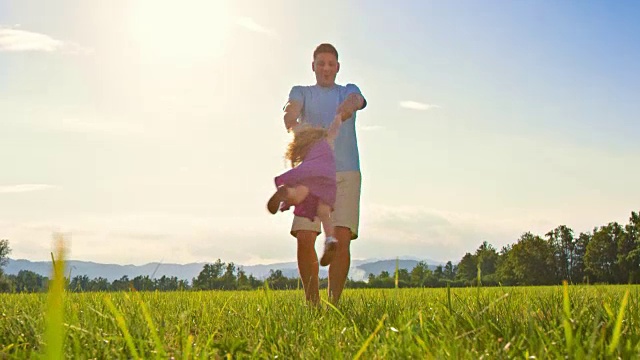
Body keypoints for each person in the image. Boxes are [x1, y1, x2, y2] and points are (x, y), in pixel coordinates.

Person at [281, 43, 367, 305]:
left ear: (338, 67)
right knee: (305, 236)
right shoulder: (302, 92)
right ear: (313, 66)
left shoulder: (347, 90)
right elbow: (290, 110)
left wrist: (341, 114)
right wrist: (295, 122)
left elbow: (357, 101)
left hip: (346, 173)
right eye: (321, 63)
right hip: (311, 175)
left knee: (341, 237)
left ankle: (334, 304)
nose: (326, 68)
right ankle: (312, 304)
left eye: (331, 64)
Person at [267, 114, 343, 267]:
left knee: (298, 195)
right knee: (324, 212)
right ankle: (330, 240)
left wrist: (291, 122)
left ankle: (286, 192)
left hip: (309, 174)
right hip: (327, 179)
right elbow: (334, 129)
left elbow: (294, 128)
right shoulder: (326, 140)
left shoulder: (308, 148)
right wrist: (339, 117)